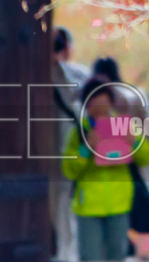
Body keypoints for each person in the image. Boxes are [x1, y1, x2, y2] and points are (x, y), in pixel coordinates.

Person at [63, 78, 149, 262]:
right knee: (90, 256)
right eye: (94, 102)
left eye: (104, 101)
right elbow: (68, 170)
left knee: (117, 255)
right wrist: (86, 149)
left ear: (111, 102)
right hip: (88, 206)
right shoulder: (79, 132)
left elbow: (148, 157)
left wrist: (135, 142)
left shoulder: (124, 126)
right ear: (86, 104)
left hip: (119, 203)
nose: (100, 107)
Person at [53, 29, 94, 262]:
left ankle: (62, 254)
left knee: (59, 205)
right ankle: (68, 255)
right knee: (68, 205)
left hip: (53, 150)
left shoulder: (33, 72)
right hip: (74, 150)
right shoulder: (82, 75)